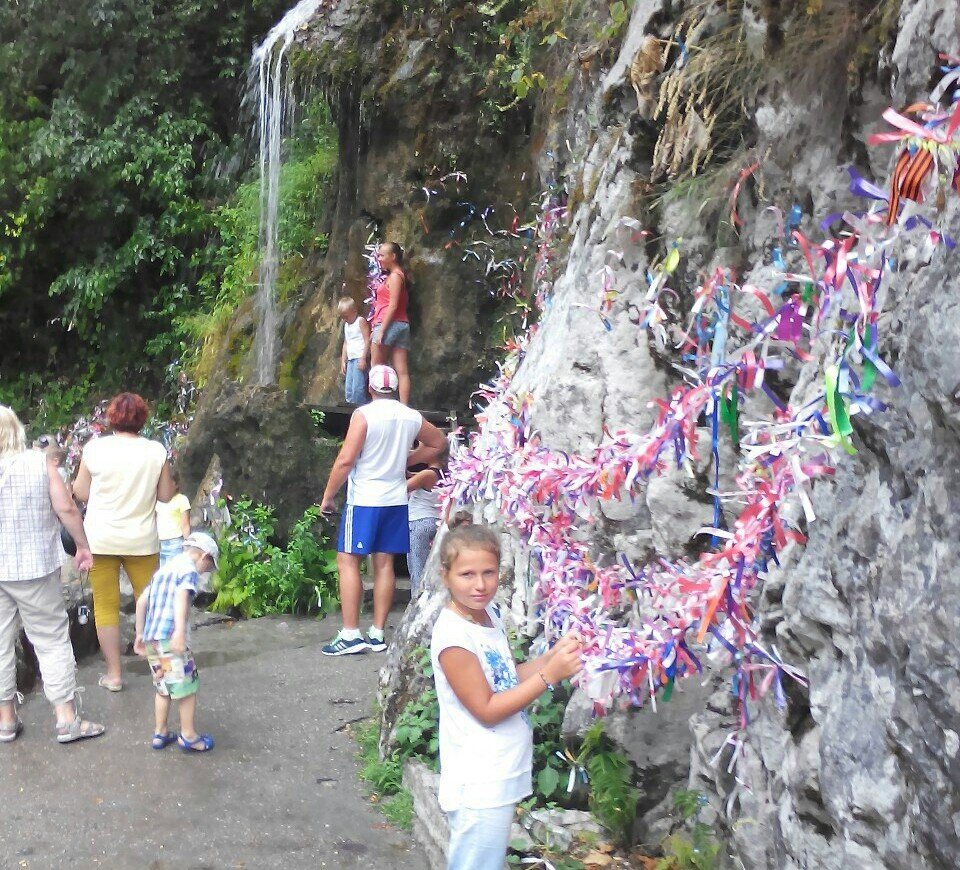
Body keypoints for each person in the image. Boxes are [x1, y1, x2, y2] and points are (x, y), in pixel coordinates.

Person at [431, 517, 583, 870]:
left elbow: (505, 679)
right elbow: (486, 708)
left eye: (489, 572)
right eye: (467, 575)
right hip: (479, 781)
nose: (480, 585)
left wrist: (552, 656)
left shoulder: (486, 617)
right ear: (445, 576)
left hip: (498, 773)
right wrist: (549, 674)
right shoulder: (454, 637)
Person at [319, 364, 446, 655]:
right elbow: (439, 443)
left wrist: (328, 496)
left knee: (348, 560)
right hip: (396, 498)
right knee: (384, 563)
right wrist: (407, 459)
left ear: (371, 388)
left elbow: (345, 460)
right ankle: (377, 633)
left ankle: (351, 634)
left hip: (365, 498)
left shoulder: (363, 415)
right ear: (395, 388)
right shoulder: (410, 416)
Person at [0, 405, 105, 744]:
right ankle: (66, 720)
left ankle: (5, 721)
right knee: (50, 638)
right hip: (35, 569)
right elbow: (66, 507)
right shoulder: (39, 463)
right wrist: (83, 545)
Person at [73, 392, 175, 692]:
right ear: (142, 419)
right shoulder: (156, 451)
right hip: (142, 541)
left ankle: (115, 676)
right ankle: (163, 672)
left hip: (100, 539)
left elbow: (80, 491)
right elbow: (166, 496)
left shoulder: (95, 449)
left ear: (112, 417)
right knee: (154, 605)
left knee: (105, 606)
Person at [134, 532, 218, 753]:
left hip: (153, 639)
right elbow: (182, 596)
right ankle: (188, 736)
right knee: (186, 687)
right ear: (204, 556)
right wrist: (179, 631)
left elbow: (142, 601)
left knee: (163, 687)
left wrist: (139, 634)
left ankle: (160, 732)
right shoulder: (188, 570)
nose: (205, 573)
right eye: (208, 567)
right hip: (171, 638)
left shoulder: (165, 570)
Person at [370, 242, 411, 405]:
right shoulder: (399, 275)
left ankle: (377, 404)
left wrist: (381, 331)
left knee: (376, 367)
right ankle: (404, 406)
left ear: (393, 257)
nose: (378, 258)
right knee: (401, 370)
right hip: (402, 325)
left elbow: (392, 305)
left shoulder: (395, 276)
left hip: (387, 324)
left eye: (382, 255)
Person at [406, 452, 446, 597]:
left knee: (418, 569)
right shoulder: (447, 473)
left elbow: (402, 488)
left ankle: (418, 603)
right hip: (436, 523)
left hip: (419, 523)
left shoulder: (426, 475)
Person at [338, 295, 370, 406]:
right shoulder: (346, 325)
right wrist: (343, 361)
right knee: (349, 388)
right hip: (351, 359)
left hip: (359, 358)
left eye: (346, 316)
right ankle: (349, 407)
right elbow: (346, 343)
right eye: (342, 317)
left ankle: (359, 407)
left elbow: (367, 340)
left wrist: (363, 358)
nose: (344, 319)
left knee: (358, 387)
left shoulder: (360, 321)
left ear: (354, 311)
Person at [156, 467, 191, 566]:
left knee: (173, 573)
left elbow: (185, 525)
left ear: (176, 484)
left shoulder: (182, 500)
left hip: (175, 544)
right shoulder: (158, 500)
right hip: (159, 544)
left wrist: (187, 545)